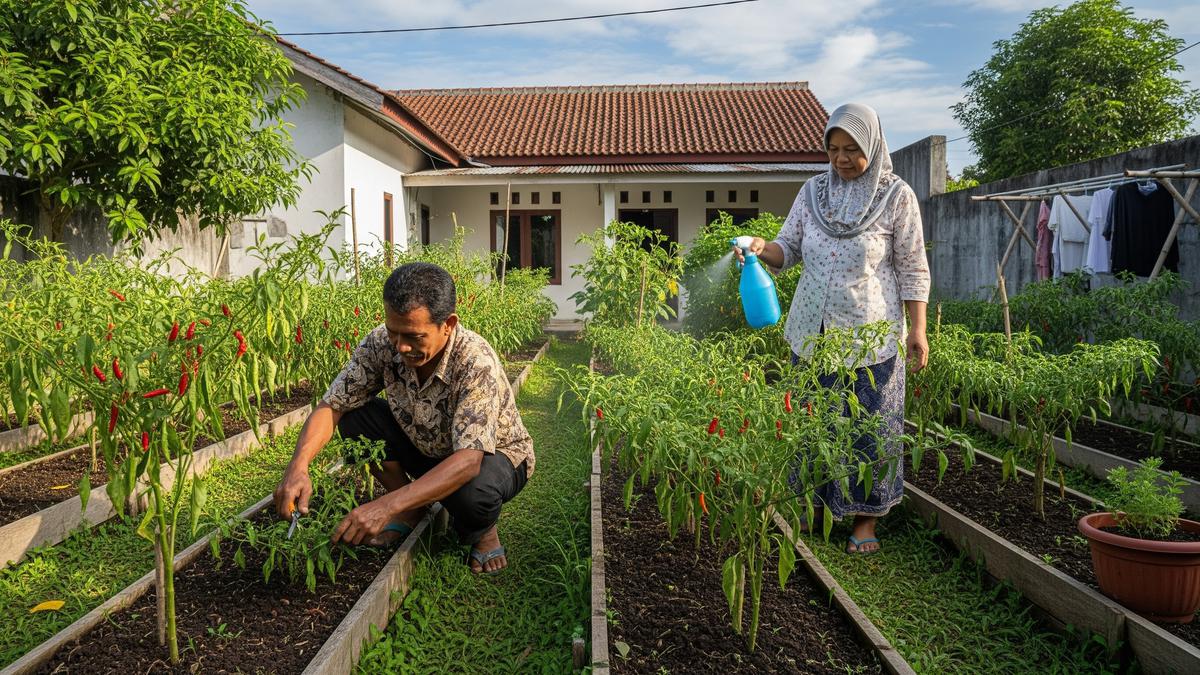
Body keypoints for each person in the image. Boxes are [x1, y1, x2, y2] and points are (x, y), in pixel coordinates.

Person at [734, 103, 930, 555]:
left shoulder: (896, 196)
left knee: (869, 426)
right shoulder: (812, 192)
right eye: (833, 149)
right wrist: (764, 247)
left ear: (874, 147)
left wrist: (918, 329)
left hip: (869, 335)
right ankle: (817, 504)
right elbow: (790, 248)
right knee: (812, 421)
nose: (841, 159)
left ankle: (865, 520)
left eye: (852, 150)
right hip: (810, 330)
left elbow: (913, 268)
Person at [273, 262, 534, 575]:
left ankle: (483, 531)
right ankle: (413, 508)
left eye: (414, 336)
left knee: (473, 494)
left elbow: (468, 460)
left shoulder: (474, 360)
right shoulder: (382, 343)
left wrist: (386, 505)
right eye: (393, 332)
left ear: (448, 324)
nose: (401, 346)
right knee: (356, 418)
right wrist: (297, 467)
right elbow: (332, 405)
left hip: (496, 457)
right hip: (426, 447)